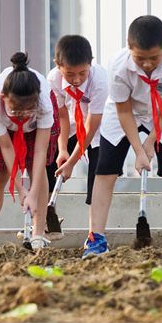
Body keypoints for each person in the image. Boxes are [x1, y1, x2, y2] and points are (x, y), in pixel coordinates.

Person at [82, 15, 162, 259]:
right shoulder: (118, 66)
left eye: (154, 58)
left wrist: (150, 143)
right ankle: (96, 239)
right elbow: (124, 110)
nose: (147, 64)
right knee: (105, 173)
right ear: (129, 46)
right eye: (140, 59)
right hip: (123, 116)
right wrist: (139, 150)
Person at [0, 52, 60, 254]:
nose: (23, 115)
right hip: (7, 131)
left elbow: (40, 150)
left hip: (35, 130)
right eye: (17, 110)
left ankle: (38, 234)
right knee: (0, 172)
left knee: (38, 170)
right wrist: (22, 190)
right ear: (4, 98)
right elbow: (7, 148)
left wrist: (33, 189)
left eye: (29, 110)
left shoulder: (44, 104)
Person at [45, 34, 108, 208]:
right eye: (70, 74)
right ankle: (48, 220)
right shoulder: (53, 79)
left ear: (90, 63)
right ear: (57, 65)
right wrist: (63, 150)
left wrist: (71, 163)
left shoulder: (99, 81)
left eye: (82, 73)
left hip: (99, 131)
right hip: (72, 125)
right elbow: (62, 116)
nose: (77, 79)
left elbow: (91, 126)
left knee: (97, 178)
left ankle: (95, 232)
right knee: (50, 162)